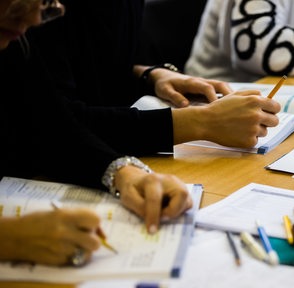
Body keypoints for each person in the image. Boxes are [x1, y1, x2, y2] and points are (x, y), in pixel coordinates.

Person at [0, 0, 192, 267]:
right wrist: (10, 238)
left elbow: (51, 123)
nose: (34, 19)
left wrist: (124, 173)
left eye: (43, 2)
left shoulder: (15, 42)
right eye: (17, 3)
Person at [24, 0, 281, 155]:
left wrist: (149, 76)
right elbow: (55, 123)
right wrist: (203, 122)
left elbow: (94, 76)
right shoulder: (38, 11)